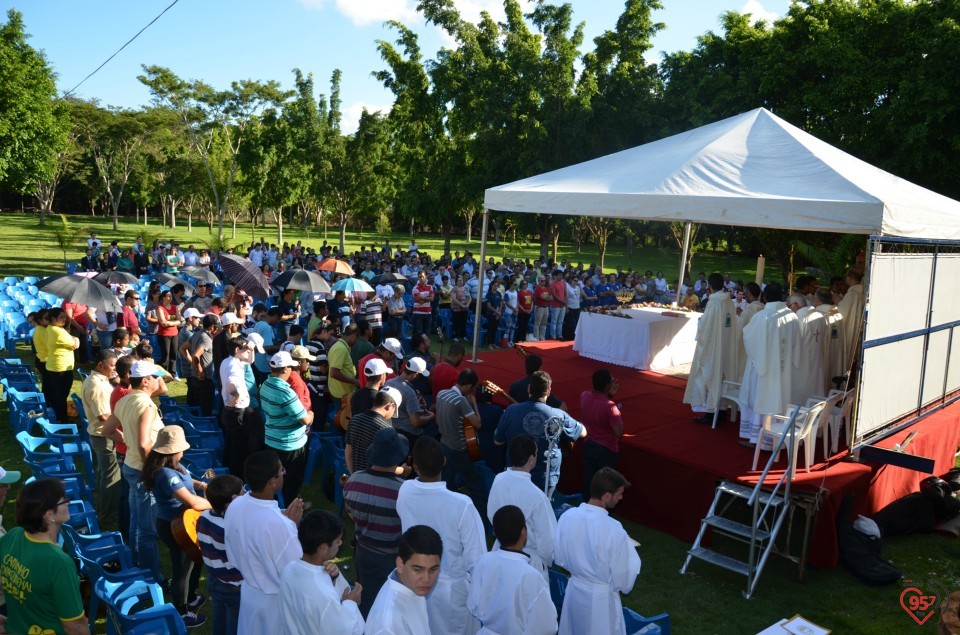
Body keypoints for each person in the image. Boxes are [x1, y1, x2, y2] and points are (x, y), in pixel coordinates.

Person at [396, 438, 485, 634]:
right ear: (445, 461)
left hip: (415, 581)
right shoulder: (462, 504)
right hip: (452, 595)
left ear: (415, 466)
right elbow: (477, 559)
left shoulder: (405, 490)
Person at [224, 450, 305, 635]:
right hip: (275, 603)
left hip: (250, 592)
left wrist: (286, 523)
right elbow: (295, 571)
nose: (284, 473)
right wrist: (292, 526)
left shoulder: (235, 505)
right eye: (281, 471)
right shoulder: (280, 525)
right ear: (272, 481)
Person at [554, 468, 641, 635]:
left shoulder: (568, 516)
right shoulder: (613, 529)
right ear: (607, 496)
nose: (621, 498)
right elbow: (624, 580)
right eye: (619, 494)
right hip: (599, 601)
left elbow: (559, 557)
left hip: (574, 591)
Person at [102, 359, 166, 582]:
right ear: (146, 381)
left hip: (130, 465)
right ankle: (152, 577)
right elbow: (144, 443)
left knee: (136, 521)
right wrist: (153, 469)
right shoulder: (146, 405)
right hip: (142, 470)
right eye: (155, 377)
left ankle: (136, 563)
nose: (159, 380)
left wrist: (126, 442)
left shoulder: (125, 399)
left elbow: (108, 430)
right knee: (147, 529)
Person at [143, 426, 211, 626]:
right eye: (181, 448)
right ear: (173, 451)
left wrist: (203, 486)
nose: (184, 451)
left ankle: (191, 597)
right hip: (175, 527)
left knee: (195, 559)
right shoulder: (165, 474)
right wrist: (217, 502)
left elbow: (188, 483)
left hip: (185, 522)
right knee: (182, 569)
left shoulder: (175, 465)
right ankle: (181, 612)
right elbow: (192, 502)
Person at [0, 478, 87, 635]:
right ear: (49, 515)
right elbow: (74, 625)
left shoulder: (13, 535)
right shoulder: (58, 562)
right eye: (63, 500)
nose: (68, 503)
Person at [343, 427, 409, 617]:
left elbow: (350, 513)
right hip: (391, 558)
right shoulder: (403, 490)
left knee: (366, 595)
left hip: (363, 550)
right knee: (388, 605)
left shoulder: (353, 480)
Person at [467, 505, 558, 635]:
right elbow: (546, 626)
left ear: (494, 532)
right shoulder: (531, 576)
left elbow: (473, 604)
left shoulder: (483, 561)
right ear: (524, 532)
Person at [496, 371, 585, 494]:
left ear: (529, 389)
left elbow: (498, 441)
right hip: (544, 480)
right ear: (548, 391)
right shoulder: (558, 415)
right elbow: (582, 432)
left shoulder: (511, 410)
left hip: (516, 476)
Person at [279, 510, 364, 635]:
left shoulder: (288, 569)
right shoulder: (323, 593)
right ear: (323, 547)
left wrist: (331, 579)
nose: (340, 543)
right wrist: (351, 603)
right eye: (338, 540)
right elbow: (347, 630)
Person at [738, 283, 801, 447]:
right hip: (783, 369)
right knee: (779, 397)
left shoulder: (762, 316)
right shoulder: (792, 316)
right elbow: (796, 343)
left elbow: (748, 337)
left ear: (764, 297)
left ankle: (757, 438)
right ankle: (774, 436)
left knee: (762, 397)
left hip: (763, 369)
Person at [487, 435, 556, 579]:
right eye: (536, 453)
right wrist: (546, 561)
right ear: (531, 460)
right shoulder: (538, 497)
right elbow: (548, 541)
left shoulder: (499, 479)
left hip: (500, 552)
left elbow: (492, 514)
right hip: (529, 562)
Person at [683, 272, 742, 424]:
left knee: (708, 373)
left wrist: (700, 321)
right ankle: (720, 411)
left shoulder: (714, 302)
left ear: (709, 285)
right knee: (722, 376)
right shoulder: (728, 301)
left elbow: (707, 326)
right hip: (725, 344)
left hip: (713, 346)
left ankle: (710, 413)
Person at [364, 525, 442, 635]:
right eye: (418, 570)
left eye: (433, 569)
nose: (427, 579)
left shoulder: (410, 585)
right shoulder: (388, 626)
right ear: (400, 564)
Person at [261, 351, 315, 504]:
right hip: (289, 445)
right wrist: (311, 414)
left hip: (272, 440)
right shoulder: (286, 393)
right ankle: (292, 509)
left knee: (275, 478)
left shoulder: (266, 384)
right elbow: (305, 419)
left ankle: (277, 505)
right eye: (290, 367)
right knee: (291, 480)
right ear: (285, 369)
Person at [196, 474, 245, 635]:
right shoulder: (230, 529)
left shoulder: (204, 516)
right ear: (232, 500)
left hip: (215, 578)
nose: (246, 494)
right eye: (243, 492)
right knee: (234, 626)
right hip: (233, 586)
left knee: (219, 622)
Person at [436, 368, 486, 515]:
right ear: (470, 386)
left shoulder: (441, 394)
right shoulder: (461, 400)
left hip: (444, 445)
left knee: (447, 484)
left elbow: (438, 422)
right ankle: (481, 518)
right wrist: (474, 404)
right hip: (458, 450)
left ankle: (446, 513)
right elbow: (478, 424)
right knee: (476, 486)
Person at [81, 349, 122, 526]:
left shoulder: (100, 380)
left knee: (104, 474)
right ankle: (107, 515)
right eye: (112, 366)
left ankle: (104, 509)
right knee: (111, 477)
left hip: (100, 434)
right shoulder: (96, 386)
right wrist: (123, 430)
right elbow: (104, 416)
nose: (114, 369)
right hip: (104, 436)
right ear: (100, 364)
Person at [579, 368, 625, 501]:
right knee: (606, 483)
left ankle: (586, 503)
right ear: (607, 386)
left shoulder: (584, 396)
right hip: (607, 450)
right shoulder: (610, 407)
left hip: (589, 445)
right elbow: (619, 432)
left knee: (589, 479)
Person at [787, 292, 827, 405]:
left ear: (796, 305)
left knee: (800, 396)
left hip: (801, 366)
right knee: (815, 388)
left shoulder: (799, 319)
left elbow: (793, 345)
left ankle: (800, 417)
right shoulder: (819, 316)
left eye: (789, 306)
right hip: (816, 362)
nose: (788, 309)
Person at [44, 307, 79, 423]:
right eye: (61, 317)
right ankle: (62, 419)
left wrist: (72, 338)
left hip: (56, 365)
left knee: (58, 393)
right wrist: (76, 338)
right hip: (61, 367)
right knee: (61, 395)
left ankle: (59, 417)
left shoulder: (52, 328)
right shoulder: (57, 331)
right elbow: (74, 345)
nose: (65, 319)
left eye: (65, 317)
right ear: (53, 319)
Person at [182, 313, 221, 416]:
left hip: (194, 377)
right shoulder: (207, 339)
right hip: (205, 379)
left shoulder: (196, 333)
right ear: (212, 326)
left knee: (196, 407)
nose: (217, 329)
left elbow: (182, 349)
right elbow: (196, 356)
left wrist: (192, 363)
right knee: (206, 410)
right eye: (216, 327)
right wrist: (200, 372)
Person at [814, 287, 847, 393]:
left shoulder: (818, 314)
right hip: (836, 349)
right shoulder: (837, 313)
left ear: (818, 300)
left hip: (823, 352)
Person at [836, 267, 865, 372]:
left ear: (849, 278)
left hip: (852, 329)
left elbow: (841, 313)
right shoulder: (864, 291)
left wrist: (837, 302)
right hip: (862, 329)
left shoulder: (852, 294)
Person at [156, 289, 183, 374]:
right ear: (163, 297)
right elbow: (163, 323)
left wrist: (170, 322)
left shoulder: (175, 308)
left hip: (174, 334)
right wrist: (174, 322)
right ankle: (162, 373)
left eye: (171, 296)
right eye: (168, 296)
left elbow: (180, 321)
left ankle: (173, 373)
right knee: (166, 355)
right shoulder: (160, 308)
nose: (170, 298)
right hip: (164, 335)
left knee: (173, 354)